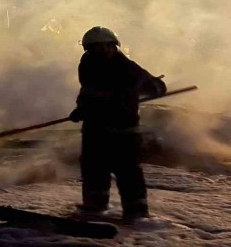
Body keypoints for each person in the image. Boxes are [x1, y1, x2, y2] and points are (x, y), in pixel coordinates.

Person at [68, 26, 166, 220]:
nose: (104, 50)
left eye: (107, 46)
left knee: (127, 171)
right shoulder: (87, 65)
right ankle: (94, 206)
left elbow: (158, 88)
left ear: (115, 46)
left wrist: (132, 92)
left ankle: (137, 212)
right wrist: (81, 109)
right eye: (98, 47)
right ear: (88, 49)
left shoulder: (127, 67)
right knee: (93, 168)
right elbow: (87, 92)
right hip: (95, 129)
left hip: (124, 129)